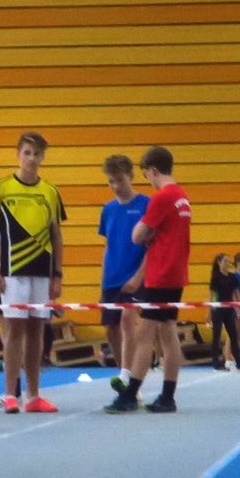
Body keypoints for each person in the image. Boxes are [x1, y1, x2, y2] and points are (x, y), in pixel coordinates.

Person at [0, 133, 65, 414]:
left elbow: (57, 235)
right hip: (12, 271)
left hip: (42, 271)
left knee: (36, 332)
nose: (31, 158)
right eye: (27, 152)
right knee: (13, 330)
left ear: (43, 157)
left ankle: (33, 395)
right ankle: (10, 394)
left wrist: (57, 275)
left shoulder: (50, 192)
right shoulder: (1, 188)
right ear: (18, 154)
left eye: (37, 154)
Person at [107, 147, 190, 414]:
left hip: (161, 273)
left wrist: (146, 232)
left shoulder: (162, 197)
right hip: (176, 272)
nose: (148, 181)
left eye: (146, 175)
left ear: (153, 170)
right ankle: (167, 396)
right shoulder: (182, 197)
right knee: (168, 333)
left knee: (144, 334)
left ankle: (130, 394)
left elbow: (137, 235)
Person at [98, 154, 150, 373]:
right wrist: (103, 279)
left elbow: (153, 247)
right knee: (111, 329)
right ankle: (123, 373)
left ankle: (131, 376)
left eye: (120, 180)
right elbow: (109, 245)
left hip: (136, 277)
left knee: (128, 323)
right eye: (111, 181)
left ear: (131, 176)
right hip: (112, 278)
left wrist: (138, 277)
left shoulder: (146, 204)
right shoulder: (108, 209)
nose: (116, 186)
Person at [206, 253, 240, 371]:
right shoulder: (215, 277)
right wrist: (209, 312)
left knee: (234, 336)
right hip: (218, 310)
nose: (228, 263)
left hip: (229, 310)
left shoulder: (232, 277)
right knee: (216, 336)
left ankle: (238, 361)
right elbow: (211, 295)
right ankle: (216, 362)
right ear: (219, 263)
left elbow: (236, 293)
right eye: (225, 261)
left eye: (229, 261)